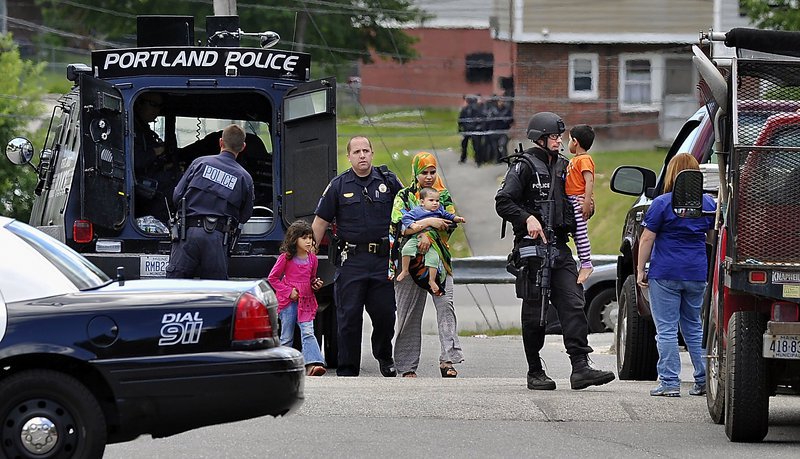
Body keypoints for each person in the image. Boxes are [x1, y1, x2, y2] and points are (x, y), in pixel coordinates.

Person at [494, 111, 615, 391]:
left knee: (573, 303)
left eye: (560, 136)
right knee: (535, 311)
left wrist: (587, 208)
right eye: (553, 136)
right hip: (532, 249)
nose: (558, 141)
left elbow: (575, 202)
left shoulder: (566, 166)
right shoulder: (523, 166)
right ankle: (535, 370)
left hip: (560, 248)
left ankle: (581, 367)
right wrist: (527, 218)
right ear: (539, 137)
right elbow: (503, 201)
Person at [312, 136, 403, 377]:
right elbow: (320, 222)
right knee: (348, 318)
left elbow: (407, 213)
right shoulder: (338, 185)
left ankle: (384, 355)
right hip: (351, 261)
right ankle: (348, 369)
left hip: (381, 261)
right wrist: (307, 259)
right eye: (357, 152)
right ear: (349, 156)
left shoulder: (388, 182)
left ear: (372, 153)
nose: (362, 155)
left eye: (366, 151)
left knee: (385, 315)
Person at [637, 153, 714, 397]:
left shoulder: (662, 203)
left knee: (667, 329)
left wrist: (641, 269)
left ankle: (670, 382)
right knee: (694, 327)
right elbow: (712, 237)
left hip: (666, 272)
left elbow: (647, 237)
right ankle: (703, 379)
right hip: (696, 272)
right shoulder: (709, 204)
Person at [391, 151, 465, 378]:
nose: (430, 176)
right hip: (410, 262)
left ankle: (448, 359)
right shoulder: (403, 196)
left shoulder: (442, 197)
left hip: (438, 260)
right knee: (408, 313)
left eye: (433, 172)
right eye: (425, 172)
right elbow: (399, 225)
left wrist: (425, 233)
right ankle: (406, 366)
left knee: (446, 307)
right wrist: (429, 222)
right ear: (416, 173)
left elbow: (449, 224)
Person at [166, 124, 255, 280]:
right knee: (216, 294)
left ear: (221, 142)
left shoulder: (199, 163)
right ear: (243, 147)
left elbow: (177, 196)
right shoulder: (244, 178)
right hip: (218, 238)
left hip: (188, 235)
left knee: (176, 290)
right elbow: (244, 216)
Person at [268, 220, 327, 376]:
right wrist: (288, 292)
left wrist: (315, 284)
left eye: (310, 238)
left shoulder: (312, 259)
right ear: (294, 239)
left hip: (306, 301)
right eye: (304, 238)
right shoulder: (285, 258)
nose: (308, 241)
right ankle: (282, 365)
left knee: (308, 332)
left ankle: (312, 364)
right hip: (288, 302)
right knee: (286, 335)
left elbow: (311, 278)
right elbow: (273, 278)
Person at [396, 186, 466, 295]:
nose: (435, 203)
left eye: (437, 201)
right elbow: (405, 219)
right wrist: (414, 225)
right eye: (431, 200)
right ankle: (405, 270)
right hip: (417, 236)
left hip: (434, 241)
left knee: (433, 259)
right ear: (422, 202)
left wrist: (457, 219)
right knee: (406, 250)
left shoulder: (439, 210)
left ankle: (432, 280)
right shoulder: (417, 211)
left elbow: (448, 216)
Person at [133, 92, 177, 222]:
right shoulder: (129, 128)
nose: (157, 110)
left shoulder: (145, 130)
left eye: (160, 106)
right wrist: (156, 152)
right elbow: (134, 161)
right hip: (140, 187)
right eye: (153, 105)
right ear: (140, 104)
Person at [565, 124, 596, 284]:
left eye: (569, 139)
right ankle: (583, 262)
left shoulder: (584, 159)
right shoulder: (575, 160)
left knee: (580, 233)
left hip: (578, 198)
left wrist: (586, 202)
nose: (567, 142)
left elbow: (589, 180)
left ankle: (586, 264)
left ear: (575, 142)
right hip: (572, 199)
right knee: (577, 233)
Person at [458, 95, 479, 164]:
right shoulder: (474, 109)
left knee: (467, 145)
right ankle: (476, 159)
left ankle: (464, 158)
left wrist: (460, 128)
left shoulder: (466, 109)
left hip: (468, 129)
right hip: (470, 129)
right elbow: (461, 119)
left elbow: (460, 120)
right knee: (472, 145)